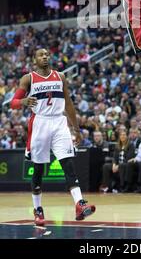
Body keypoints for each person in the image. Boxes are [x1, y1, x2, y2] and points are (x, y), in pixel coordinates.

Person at [11, 48, 95, 226]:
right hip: (40, 123)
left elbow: (69, 103)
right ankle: (38, 209)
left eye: (47, 54)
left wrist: (76, 129)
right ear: (34, 60)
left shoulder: (60, 77)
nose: (45, 57)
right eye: (41, 55)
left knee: (68, 164)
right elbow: (13, 103)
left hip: (59, 122)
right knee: (39, 169)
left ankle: (79, 204)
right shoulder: (28, 79)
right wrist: (23, 101)